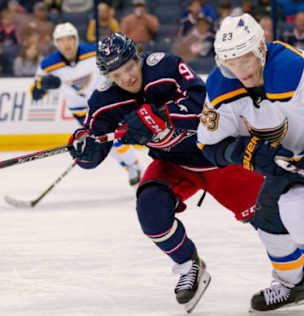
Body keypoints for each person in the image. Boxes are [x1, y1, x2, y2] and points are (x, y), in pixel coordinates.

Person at [67, 32, 264, 313]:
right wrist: (83, 148)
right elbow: (93, 146)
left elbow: (202, 105)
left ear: (138, 58)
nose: (127, 78)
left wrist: (157, 116)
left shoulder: (165, 66)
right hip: (172, 163)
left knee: (268, 220)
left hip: (216, 155)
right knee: (150, 211)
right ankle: (188, 264)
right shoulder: (104, 100)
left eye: (129, 68)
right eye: (117, 74)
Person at [197, 13, 304, 315]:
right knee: (266, 215)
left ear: (261, 50)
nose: (239, 70)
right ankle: (293, 285)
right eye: (230, 62)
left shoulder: (293, 69)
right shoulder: (221, 89)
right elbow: (209, 145)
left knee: (297, 206)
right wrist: (245, 153)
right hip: (289, 157)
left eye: (245, 59)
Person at [30, 23, 142, 185]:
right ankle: (132, 165)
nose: (67, 44)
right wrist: (42, 85)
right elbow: (35, 94)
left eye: (70, 39)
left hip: (103, 106)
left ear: (76, 39)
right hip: (80, 112)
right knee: (106, 143)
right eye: (62, 40)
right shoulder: (48, 64)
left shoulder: (94, 51)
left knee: (114, 140)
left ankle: (133, 165)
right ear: (56, 43)